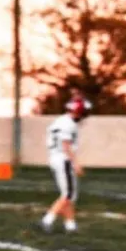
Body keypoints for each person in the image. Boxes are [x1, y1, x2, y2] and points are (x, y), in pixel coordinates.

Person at [41, 89, 93, 233]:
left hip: (57, 157)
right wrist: (75, 163)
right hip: (63, 159)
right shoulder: (68, 124)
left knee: (68, 194)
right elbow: (66, 144)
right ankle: (47, 219)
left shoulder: (62, 120)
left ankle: (70, 224)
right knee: (68, 195)